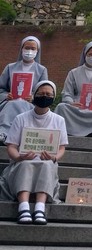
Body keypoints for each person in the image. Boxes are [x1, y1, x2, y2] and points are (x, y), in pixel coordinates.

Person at [0, 81, 67, 225]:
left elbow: (62, 148)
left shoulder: (59, 120)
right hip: (21, 161)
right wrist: (19, 157)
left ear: (54, 97)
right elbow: (11, 146)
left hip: (46, 161)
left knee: (48, 165)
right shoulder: (21, 118)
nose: (44, 96)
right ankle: (23, 206)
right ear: (34, 95)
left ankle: (40, 207)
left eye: (48, 94)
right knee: (26, 164)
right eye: (41, 93)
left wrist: (54, 157)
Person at [56, 41, 92, 138]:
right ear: (85, 54)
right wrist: (71, 103)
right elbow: (67, 93)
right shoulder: (73, 73)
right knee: (61, 107)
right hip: (77, 109)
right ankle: (67, 132)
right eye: (91, 54)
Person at [0, 35, 48, 107]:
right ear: (22, 49)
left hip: (30, 105)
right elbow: (1, 88)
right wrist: (6, 96)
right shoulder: (10, 67)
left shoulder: (42, 70)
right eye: (27, 48)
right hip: (10, 103)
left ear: (37, 51)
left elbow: (44, 91)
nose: (29, 51)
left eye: (33, 49)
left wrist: (33, 97)